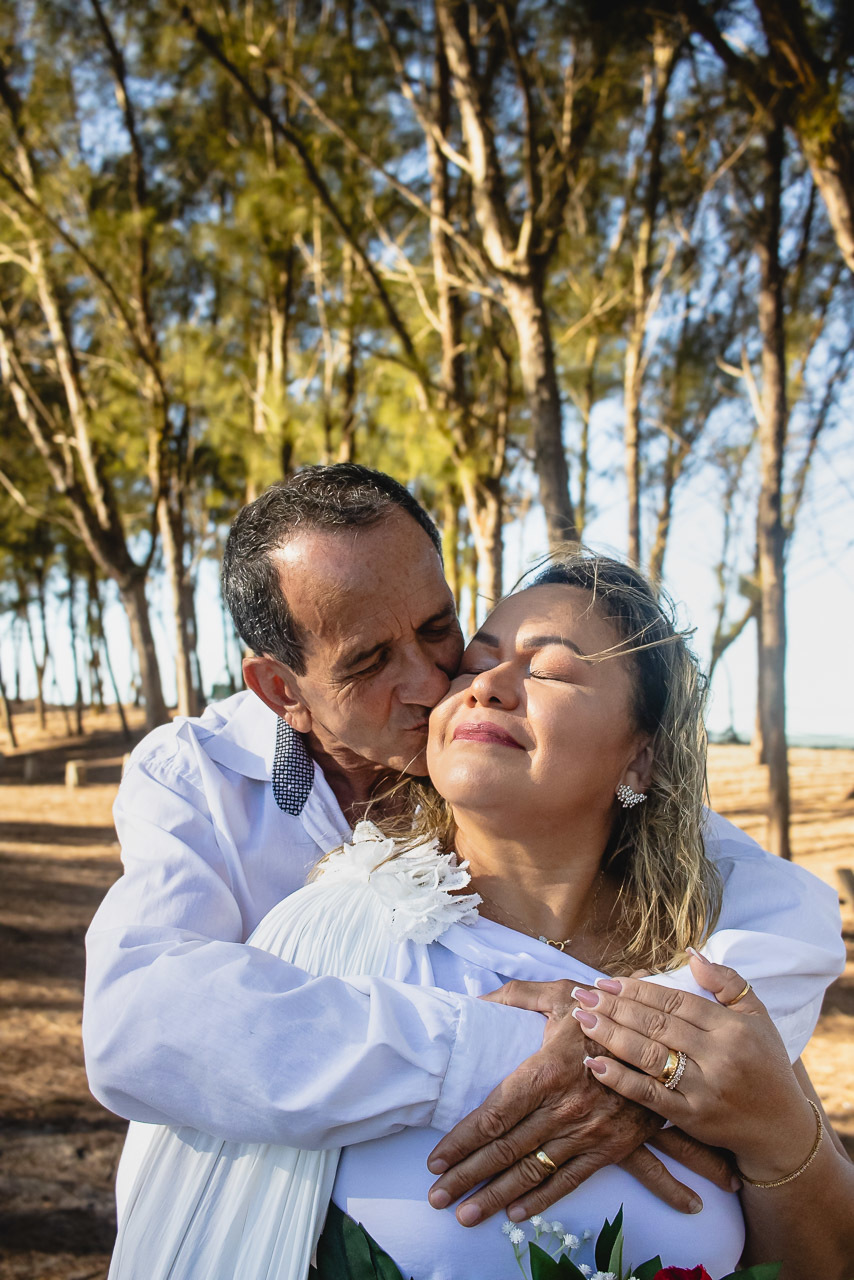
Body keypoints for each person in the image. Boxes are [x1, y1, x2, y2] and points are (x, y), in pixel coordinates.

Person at [83, 465, 844, 1230]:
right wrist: (511, 1052)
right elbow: (139, 1022)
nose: (432, 683)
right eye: (369, 661)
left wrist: (638, 1064)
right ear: (284, 692)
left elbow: (783, 910)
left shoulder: (539, 775)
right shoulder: (200, 778)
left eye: (439, 629)